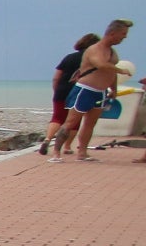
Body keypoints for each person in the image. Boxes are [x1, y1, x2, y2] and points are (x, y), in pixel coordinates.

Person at [51, 19, 131, 162]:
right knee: (70, 122)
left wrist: (114, 89)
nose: (124, 37)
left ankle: (82, 152)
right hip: (85, 90)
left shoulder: (113, 52)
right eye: (123, 34)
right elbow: (100, 65)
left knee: (90, 123)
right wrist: (121, 70)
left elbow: (111, 73)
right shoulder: (94, 49)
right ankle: (56, 152)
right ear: (112, 33)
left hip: (100, 91)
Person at [42, 32, 101, 155]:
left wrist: (56, 91)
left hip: (62, 91)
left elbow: (56, 77)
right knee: (74, 121)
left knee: (57, 117)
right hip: (79, 91)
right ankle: (67, 146)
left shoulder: (69, 57)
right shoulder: (94, 60)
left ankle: (47, 139)